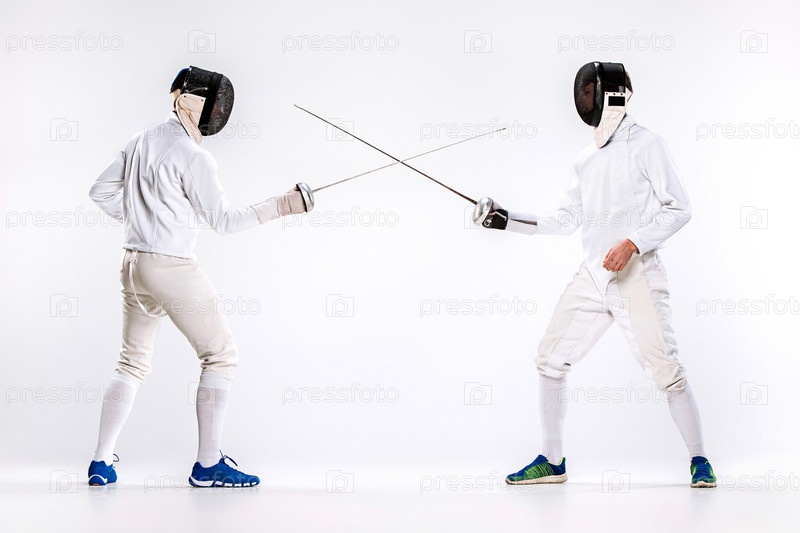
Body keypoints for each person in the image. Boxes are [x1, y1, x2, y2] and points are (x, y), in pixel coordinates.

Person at [473, 62, 716, 488]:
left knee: (667, 370)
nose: (584, 100)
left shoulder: (647, 144)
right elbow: (565, 220)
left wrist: (633, 242)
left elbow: (679, 207)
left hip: (637, 274)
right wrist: (505, 219)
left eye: (590, 92)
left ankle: (700, 460)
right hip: (593, 276)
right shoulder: (585, 160)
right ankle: (553, 460)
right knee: (549, 359)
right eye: (582, 93)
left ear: (612, 94)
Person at [87, 66, 314, 487]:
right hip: (170, 267)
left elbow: (98, 191)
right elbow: (225, 222)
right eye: (215, 103)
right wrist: (283, 205)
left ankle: (101, 462)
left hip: (132, 264)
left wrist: (141, 222)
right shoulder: (194, 157)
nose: (219, 112)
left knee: (131, 362)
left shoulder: (140, 140)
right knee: (220, 355)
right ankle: (208, 463)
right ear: (193, 102)